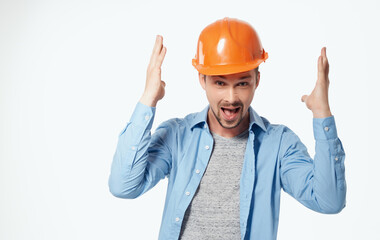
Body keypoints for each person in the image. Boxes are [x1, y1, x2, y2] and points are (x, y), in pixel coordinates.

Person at [108, 17, 346, 240]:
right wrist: (148, 98)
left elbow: (329, 201)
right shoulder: (177, 135)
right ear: (202, 80)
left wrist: (322, 113)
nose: (231, 98)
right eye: (220, 83)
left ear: (257, 81)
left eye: (242, 83)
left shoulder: (279, 144)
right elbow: (124, 186)